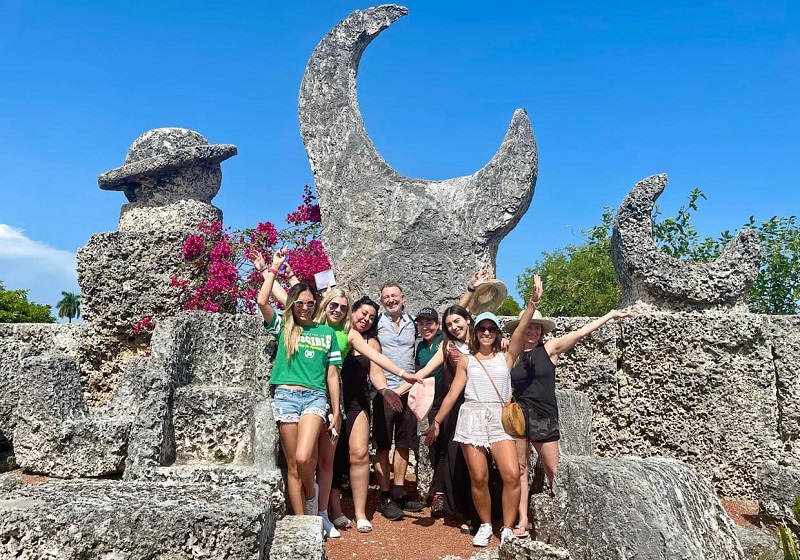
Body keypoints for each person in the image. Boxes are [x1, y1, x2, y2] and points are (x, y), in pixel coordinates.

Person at [267, 281, 409, 536]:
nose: (339, 310)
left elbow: (372, 359)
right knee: (304, 459)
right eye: (334, 305)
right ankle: (313, 513)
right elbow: (289, 299)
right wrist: (271, 272)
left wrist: (402, 374)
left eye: (343, 307)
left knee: (328, 459)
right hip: (300, 393)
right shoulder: (306, 323)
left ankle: (326, 513)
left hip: (328, 396)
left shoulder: (343, 333)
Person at [424, 274, 544, 547]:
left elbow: (523, 327)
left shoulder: (507, 356)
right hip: (473, 417)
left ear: (498, 333)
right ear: (475, 332)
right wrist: (438, 422)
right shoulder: (467, 360)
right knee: (478, 477)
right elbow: (454, 393)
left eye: (491, 329)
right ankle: (486, 525)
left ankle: (508, 527)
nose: (487, 333)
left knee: (511, 474)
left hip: (500, 419)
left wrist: (532, 304)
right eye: (482, 329)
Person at [508, 305, 634, 534]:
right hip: (518, 417)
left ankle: (562, 515)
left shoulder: (550, 348)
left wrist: (610, 315)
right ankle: (523, 519)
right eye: (529, 327)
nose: (533, 331)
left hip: (543, 416)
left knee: (553, 469)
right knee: (520, 469)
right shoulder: (511, 355)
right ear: (520, 328)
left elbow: (581, 332)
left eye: (537, 328)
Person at [252, 248, 341, 519]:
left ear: (316, 305)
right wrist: (273, 268)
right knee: (292, 466)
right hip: (285, 397)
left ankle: (312, 495)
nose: (304, 307)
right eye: (299, 303)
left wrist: (335, 412)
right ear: (293, 304)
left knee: (305, 458)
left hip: (315, 398)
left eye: (309, 303)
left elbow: (332, 375)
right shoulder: (284, 326)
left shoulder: (326, 333)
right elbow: (262, 301)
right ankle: (302, 522)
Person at [328, 295, 404, 533]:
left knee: (360, 454)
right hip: (330, 398)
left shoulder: (371, 342)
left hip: (357, 400)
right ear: (352, 311)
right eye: (363, 313)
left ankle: (360, 513)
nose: (366, 319)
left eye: (372, 317)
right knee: (333, 455)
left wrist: (384, 390)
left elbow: (376, 371)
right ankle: (335, 511)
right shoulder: (334, 332)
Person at [373, 281, 425, 519]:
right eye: (386, 296)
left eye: (394, 296)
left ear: (403, 298)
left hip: (407, 391)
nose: (390, 299)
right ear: (382, 300)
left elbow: (443, 327)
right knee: (383, 445)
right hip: (383, 391)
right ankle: (385, 496)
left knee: (403, 444)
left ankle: (399, 492)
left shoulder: (414, 324)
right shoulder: (375, 323)